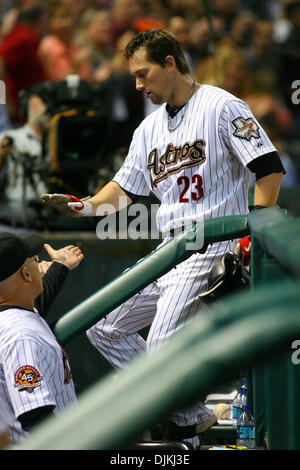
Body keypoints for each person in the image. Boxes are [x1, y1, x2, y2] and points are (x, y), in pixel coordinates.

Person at [41, 29, 285, 448]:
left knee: (160, 342)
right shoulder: (148, 128)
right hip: (170, 249)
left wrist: (255, 232)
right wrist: (83, 207)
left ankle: (184, 432)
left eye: (144, 73)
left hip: (212, 244)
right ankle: (194, 414)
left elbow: (269, 167)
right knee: (104, 328)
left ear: (170, 62)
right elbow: (122, 192)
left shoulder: (222, 105)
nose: (138, 85)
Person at [0, 231, 84, 443]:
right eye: (35, 261)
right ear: (27, 275)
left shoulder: (15, 316)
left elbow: (35, 306)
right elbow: (36, 418)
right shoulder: (20, 335)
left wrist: (60, 266)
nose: (42, 264)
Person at [0, 87, 49, 228]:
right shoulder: (9, 139)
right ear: (30, 105)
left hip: (46, 229)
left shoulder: (58, 143)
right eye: (44, 101)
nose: (49, 107)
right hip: (9, 227)